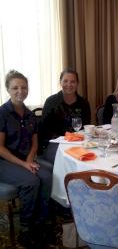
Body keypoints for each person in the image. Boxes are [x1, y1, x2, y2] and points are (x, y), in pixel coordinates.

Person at [0, 70, 52, 247]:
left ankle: (41, 223)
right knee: (31, 181)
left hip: (25, 159)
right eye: (15, 87)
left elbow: (34, 144)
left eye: (23, 87)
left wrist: (29, 161)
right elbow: (0, 148)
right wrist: (24, 164)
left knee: (46, 176)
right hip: (4, 162)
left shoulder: (30, 115)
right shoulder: (2, 113)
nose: (20, 91)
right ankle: (26, 228)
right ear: (8, 89)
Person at [41, 68, 91, 163]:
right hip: (56, 144)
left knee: (89, 158)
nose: (69, 84)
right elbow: (44, 130)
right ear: (60, 82)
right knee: (71, 160)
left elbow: (85, 127)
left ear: (77, 83)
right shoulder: (51, 102)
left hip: (78, 143)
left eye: (73, 81)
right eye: (65, 81)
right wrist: (65, 139)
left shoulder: (83, 103)